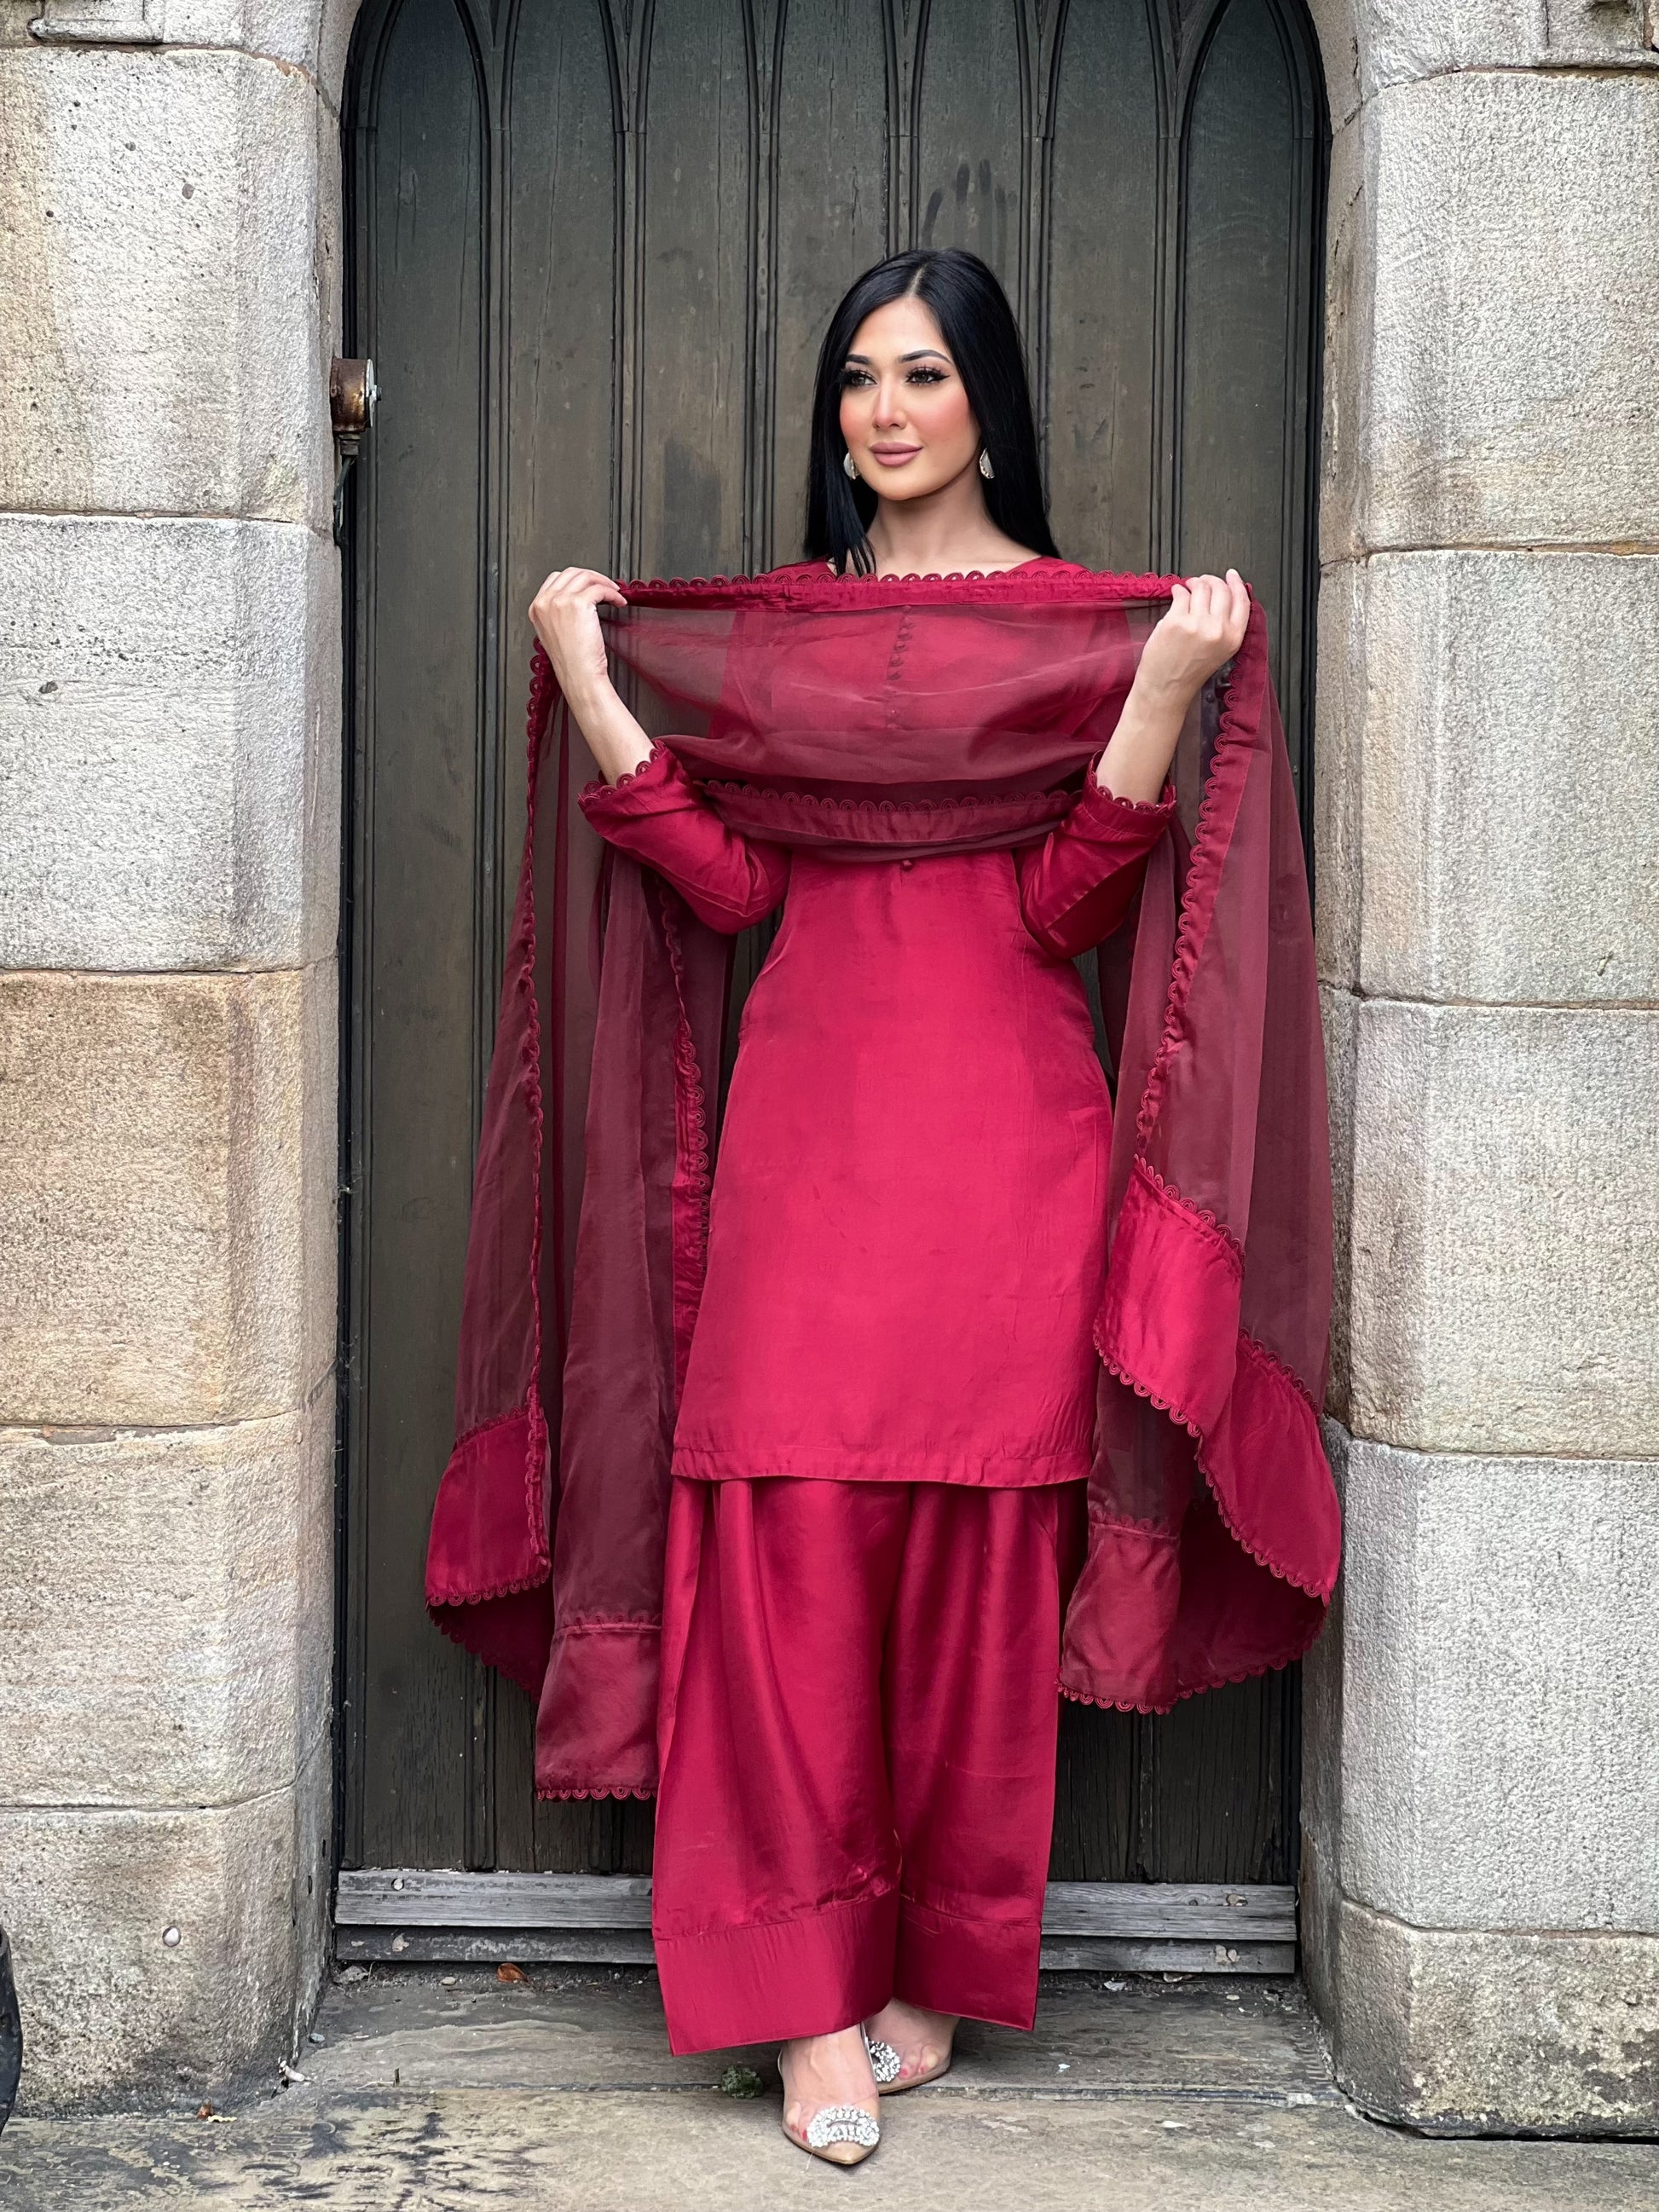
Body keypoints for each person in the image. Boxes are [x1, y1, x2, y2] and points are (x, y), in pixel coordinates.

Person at [526, 248, 1251, 2165]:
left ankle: (932, 1966)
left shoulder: (1077, 633)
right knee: (784, 1552)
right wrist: (595, 688)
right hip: (812, 1138)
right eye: (858, 377)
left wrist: (1161, 690)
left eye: (921, 374)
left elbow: (1073, 901)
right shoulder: (785, 638)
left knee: (978, 1565)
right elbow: (732, 887)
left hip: (1010, 1139)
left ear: (986, 402)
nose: (884, 411)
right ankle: (798, 2007)